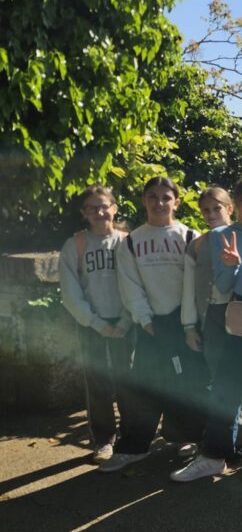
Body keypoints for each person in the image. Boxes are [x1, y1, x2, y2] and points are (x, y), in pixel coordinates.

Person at [99, 176, 202, 473]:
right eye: (153, 197)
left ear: (176, 202)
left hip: (184, 323)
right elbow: (129, 285)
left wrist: (190, 323)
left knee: (187, 383)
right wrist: (145, 320)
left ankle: (186, 438)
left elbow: (198, 284)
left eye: (166, 197)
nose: (159, 203)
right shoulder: (131, 242)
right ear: (144, 201)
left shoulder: (190, 236)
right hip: (151, 325)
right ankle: (135, 447)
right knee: (144, 387)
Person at [172, 176, 242, 482]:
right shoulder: (220, 236)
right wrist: (232, 265)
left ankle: (234, 449)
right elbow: (225, 285)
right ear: (235, 204)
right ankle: (217, 453)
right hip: (237, 315)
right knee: (226, 385)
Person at [59, 186, 132, 464]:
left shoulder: (127, 242)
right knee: (97, 383)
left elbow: (137, 285)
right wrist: (97, 323)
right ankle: (104, 440)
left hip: (127, 322)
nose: (100, 212)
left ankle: (131, 436)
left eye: (104, 206)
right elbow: (70, 292)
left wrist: (125, 320)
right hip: (91, 323)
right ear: (84, 213)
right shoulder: (75, 245)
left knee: (129, 381)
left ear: (114, 208)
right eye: (92, 208)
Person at [180, 187, 233, 458]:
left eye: (217, 208)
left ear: (229, 208)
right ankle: (219, 437)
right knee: (216, 377)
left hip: (239, 317)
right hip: (209, 316)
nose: (211, 214)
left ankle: (241, 435)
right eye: (206, 210)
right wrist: (189, 326)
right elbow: (188, 290)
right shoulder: (197, 245)